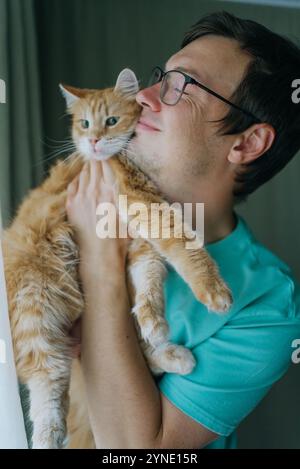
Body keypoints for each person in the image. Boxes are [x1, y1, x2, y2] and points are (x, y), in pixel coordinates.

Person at [65, 11, 300, 448]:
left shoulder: (268, 305)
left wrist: (101, 257)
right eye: (162, 77)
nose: (144, 98)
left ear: (247, 143)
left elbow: (138, 453)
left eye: (183, 86)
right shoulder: (76, 197)